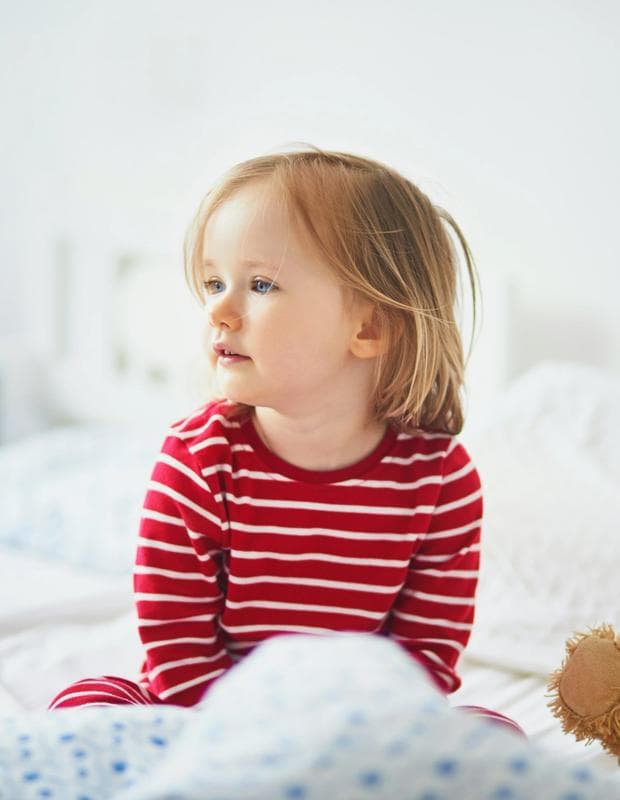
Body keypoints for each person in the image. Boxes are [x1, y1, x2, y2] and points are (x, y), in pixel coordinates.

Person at [48, 146, 523, 736]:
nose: (218, 309)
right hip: (202, 710)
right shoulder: (198, 463)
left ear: (368, 328)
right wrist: (248, 743)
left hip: (358, 720)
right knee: (85, 708)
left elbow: (425, 657)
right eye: (214, 282)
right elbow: (177, 652)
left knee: (493, 735)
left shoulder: (440, 481)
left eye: (262, 284)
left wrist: (351, 739)